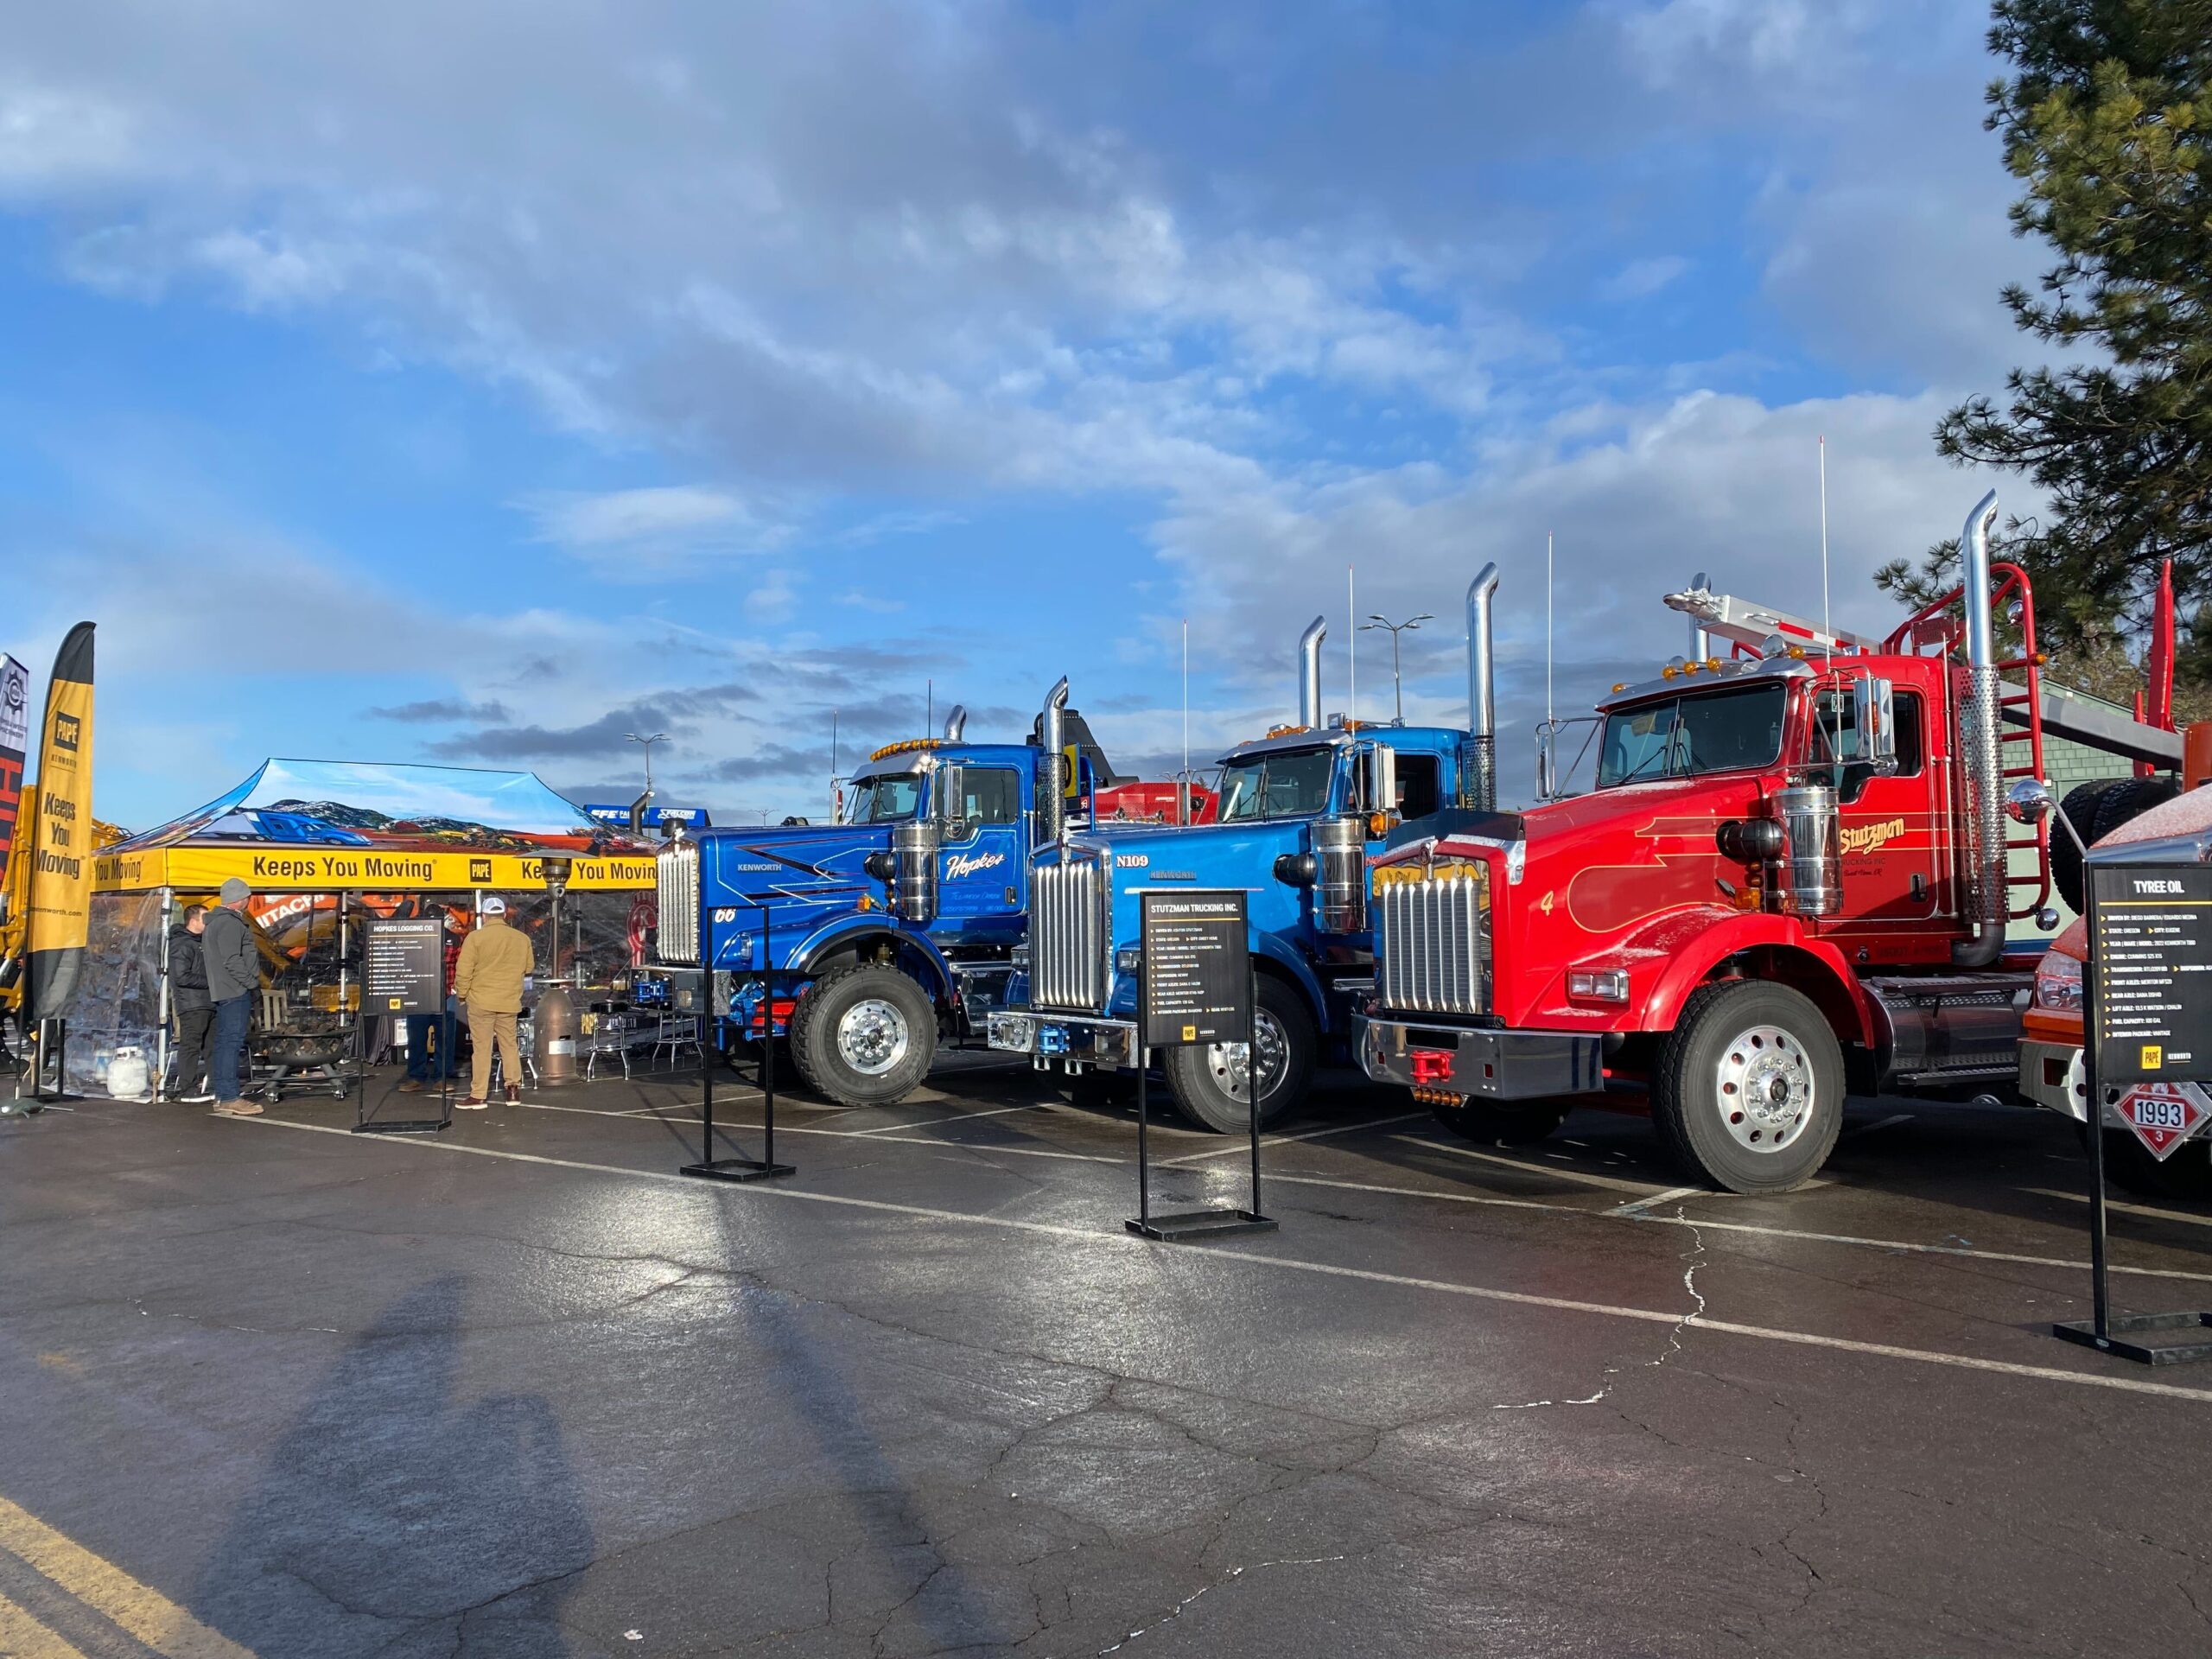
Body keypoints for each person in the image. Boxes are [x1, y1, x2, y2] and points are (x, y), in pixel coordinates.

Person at [453, 896, 531, 1108]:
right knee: (509, 1045)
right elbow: (529, 967)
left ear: (485, 916)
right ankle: (513, 1089)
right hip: (509, 1000)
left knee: (482, 1048)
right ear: (504, 915)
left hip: (481, 1001)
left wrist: (462, 994)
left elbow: (464, 971)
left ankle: (478, 1095)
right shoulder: (522, 939)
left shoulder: (475, 938)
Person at [202, 877, 263, 1117]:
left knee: (224, 1042)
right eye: (247, 897)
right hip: (234, 990)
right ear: (241, 899)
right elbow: (232, 960)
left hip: (223, 990)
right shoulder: (230, 924)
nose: (249, 901)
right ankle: (229, 1097)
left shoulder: (214, 923)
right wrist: (250, 983)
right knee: (231, 1042)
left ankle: (222, 1094)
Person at [397, 913, 461, 1095]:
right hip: (418, 996)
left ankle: (442, 1077)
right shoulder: (413, 937)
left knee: (445, 1039)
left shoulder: (454, 938)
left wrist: (455, 987)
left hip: (445, 995)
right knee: (416, 1038)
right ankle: (417, 1076)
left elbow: (459, 964)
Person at [168, 904, 214, 1102]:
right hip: (192, 1004)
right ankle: (187, 1088)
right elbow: (181, 977)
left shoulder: (203, 942)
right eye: (205, 918)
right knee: (191, 1046)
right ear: (194, 921)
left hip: (209, 1002)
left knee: (212, 1046)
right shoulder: (182, 943)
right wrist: (211, 983)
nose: (209, 921)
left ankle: (215, 1084)